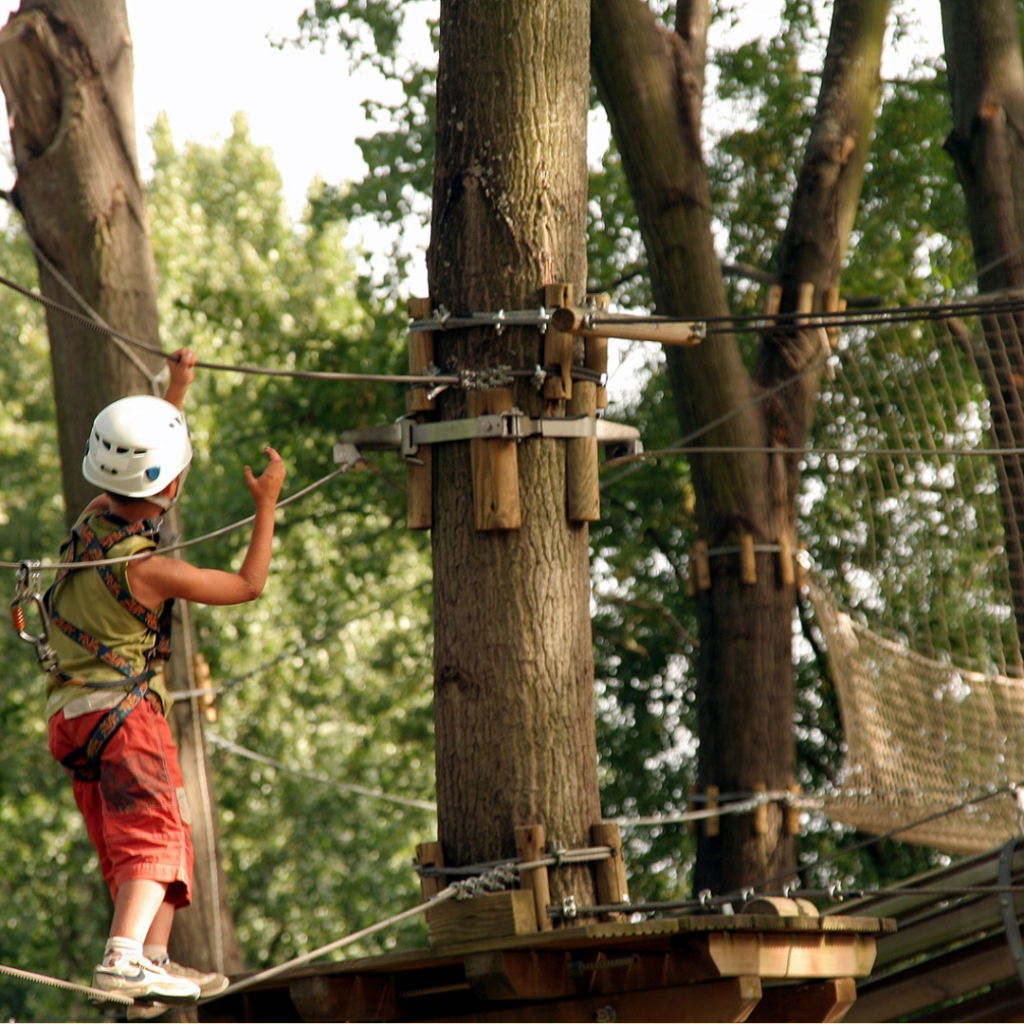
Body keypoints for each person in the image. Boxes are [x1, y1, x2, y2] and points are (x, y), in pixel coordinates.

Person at [44, 349, 286, 1011]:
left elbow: (144, 469)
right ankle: (125, 958)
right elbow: (246, 584)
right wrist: (266, 505)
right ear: (172, 485)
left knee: (150, 834)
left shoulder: (92, 519)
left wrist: (173, 394)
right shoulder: (148, 571)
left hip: (73, 717)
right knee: (153, 835)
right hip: (123, 719)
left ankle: (151, 956)